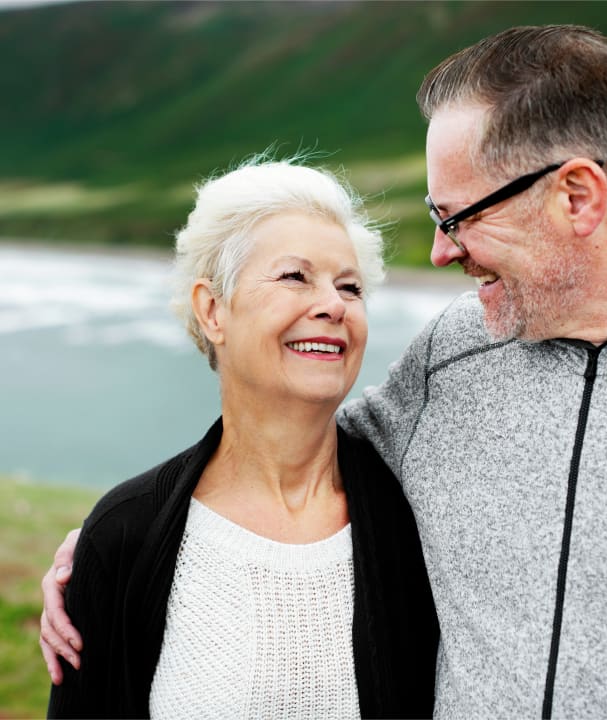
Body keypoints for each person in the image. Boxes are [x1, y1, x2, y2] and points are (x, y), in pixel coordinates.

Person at [42, 25, 607, 719]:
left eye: (457, 217)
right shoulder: (456, 354)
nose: (440, 250)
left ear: (576, 197)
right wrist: (124, 543)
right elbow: (295, 449)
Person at [44, 156, 438, 718]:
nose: (333, 305)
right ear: (212, 310)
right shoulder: (124, 536)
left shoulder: (415, 516)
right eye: (295, 276)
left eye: (350, 287)